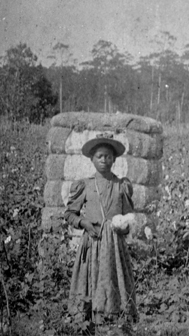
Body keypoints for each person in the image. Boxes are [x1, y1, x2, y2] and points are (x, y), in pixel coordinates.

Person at [64, 133, 137, 334]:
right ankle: (89, 324)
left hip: (114, 246)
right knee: (90, 281)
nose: (104, 160)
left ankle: (115, 323)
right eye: (99, 156)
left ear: (114, 159)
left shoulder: (121, 186)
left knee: (115, 280)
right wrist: (84, 223)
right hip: (93, 242)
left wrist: (125, 226)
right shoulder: (85, 185)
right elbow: (70, 214)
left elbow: (129, 217)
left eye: (108, 156)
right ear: (92, 159)